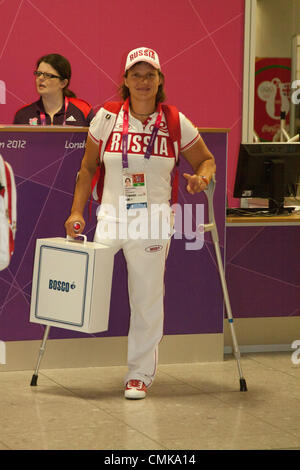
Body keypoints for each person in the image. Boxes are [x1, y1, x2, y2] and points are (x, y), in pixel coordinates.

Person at [65, 46, 216, 400]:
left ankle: (139, 374)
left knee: (147, 298)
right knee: (86, 287)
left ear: (160, 79)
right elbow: (87, 168)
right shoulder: (106, 117)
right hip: (111, 217)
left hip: (152, 221)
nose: (143, 81)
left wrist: (202, 179)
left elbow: (206, 160)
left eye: (150, 75)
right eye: (136, 74)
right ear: (125, 80)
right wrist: (77, 212)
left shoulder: (176, 121)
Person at [13, 53, 94, 126]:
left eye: (47, 75)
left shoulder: (83, 110)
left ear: (63, 83)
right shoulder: (23, 114)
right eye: (38, 74)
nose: (40, 78)